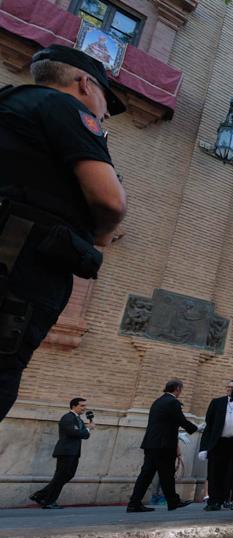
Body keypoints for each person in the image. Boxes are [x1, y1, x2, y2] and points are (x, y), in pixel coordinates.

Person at [0, 45, 126, 422]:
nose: (104, 113)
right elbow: (110, 200)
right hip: (17, 261)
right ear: (85, 84)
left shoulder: (12, 104)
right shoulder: (66, 109)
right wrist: (100, 235)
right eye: (105, 101)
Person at [127, 379, 198, 512]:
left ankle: (134, 503)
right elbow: (181, 419)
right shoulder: (172, 402)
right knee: (167, 474)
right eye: (180, 389)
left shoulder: (158, 401)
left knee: (146, 474)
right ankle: (173, 501)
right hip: (164, 445)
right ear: (177, 389)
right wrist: (196, 428)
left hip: (151, 443)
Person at [198, 380, 233, 511]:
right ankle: (214, 501)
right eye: (228, 387)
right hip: (219, 442)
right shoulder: (216, 403)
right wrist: (204, 448)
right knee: (215, 472)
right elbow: (209, 426)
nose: (230, 389)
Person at [30, 397, 92, 508]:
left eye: (85, 406)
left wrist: (86, 430)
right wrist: (86, 429)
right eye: (82, 406)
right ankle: (48, 502)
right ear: (74, 406)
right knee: (60, 476)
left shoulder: (79, 419)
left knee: (67, 475)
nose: (84, 408)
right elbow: (73, 432)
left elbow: (85, 436)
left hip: (74, 452)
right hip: (66, 452)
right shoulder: (68, 417)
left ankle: (40, 495)